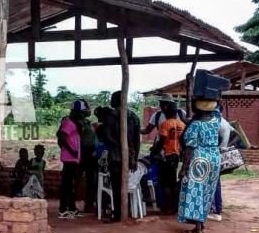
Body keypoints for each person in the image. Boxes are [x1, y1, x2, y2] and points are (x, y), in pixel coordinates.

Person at [178, 99, 222, 233]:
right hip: (215, 158)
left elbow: (189, 149)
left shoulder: (196, 125)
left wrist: (183, 168)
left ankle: (198, 229)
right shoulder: (215, 119)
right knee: (207, 192)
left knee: (195, 192)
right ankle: (201, 226)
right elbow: (218, 108)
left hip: (200, 160)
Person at [103, 91, 141, 222]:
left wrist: (120, 145)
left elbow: (107, 136)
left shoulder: (111, 116)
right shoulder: (134, 117)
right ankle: (124, 212)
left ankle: (118, 214)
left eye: (112, 99)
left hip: (115, 157)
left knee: (116, 186)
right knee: (124, 185)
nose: (110, 102)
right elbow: (137, 141)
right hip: (129, 157)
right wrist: (134, 158)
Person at [150, 100, 185, 215]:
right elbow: (182, 142)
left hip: (166, 155)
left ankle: (167, 207)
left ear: (166, 111)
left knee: (165, 183)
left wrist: (154, 151)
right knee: (172, 181)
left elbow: (162, 141)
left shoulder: (166, 124)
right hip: (176, 156)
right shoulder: (182, 125)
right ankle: (175, 206)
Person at [57, 101, 85, 218]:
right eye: (81, 112)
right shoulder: (68, 123)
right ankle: (63, 209)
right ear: (75, 111)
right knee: (67, 184)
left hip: (73, 159)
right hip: (69, 158)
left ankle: (71, 208)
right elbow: (61, 137)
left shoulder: (73, 122)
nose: (82, 115)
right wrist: (70, 150)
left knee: (70, 185)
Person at [208, 108, 236, 222]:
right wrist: (226, 146)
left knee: (213, 184)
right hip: (219, 156)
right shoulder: (224, 122)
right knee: (216, 183)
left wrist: (218, 147)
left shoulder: (216, 123)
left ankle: (216, 211)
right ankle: (217, 209)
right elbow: (236, 135)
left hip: (214, 156)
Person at [75, 100, 98, 214]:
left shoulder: (87, 122)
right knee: (77, 178)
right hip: (82, 152)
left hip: (90, 153)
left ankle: (89, 204)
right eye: (86, 109)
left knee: (91, 180)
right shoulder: (79, 123)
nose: (89, 111)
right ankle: (71, 205)